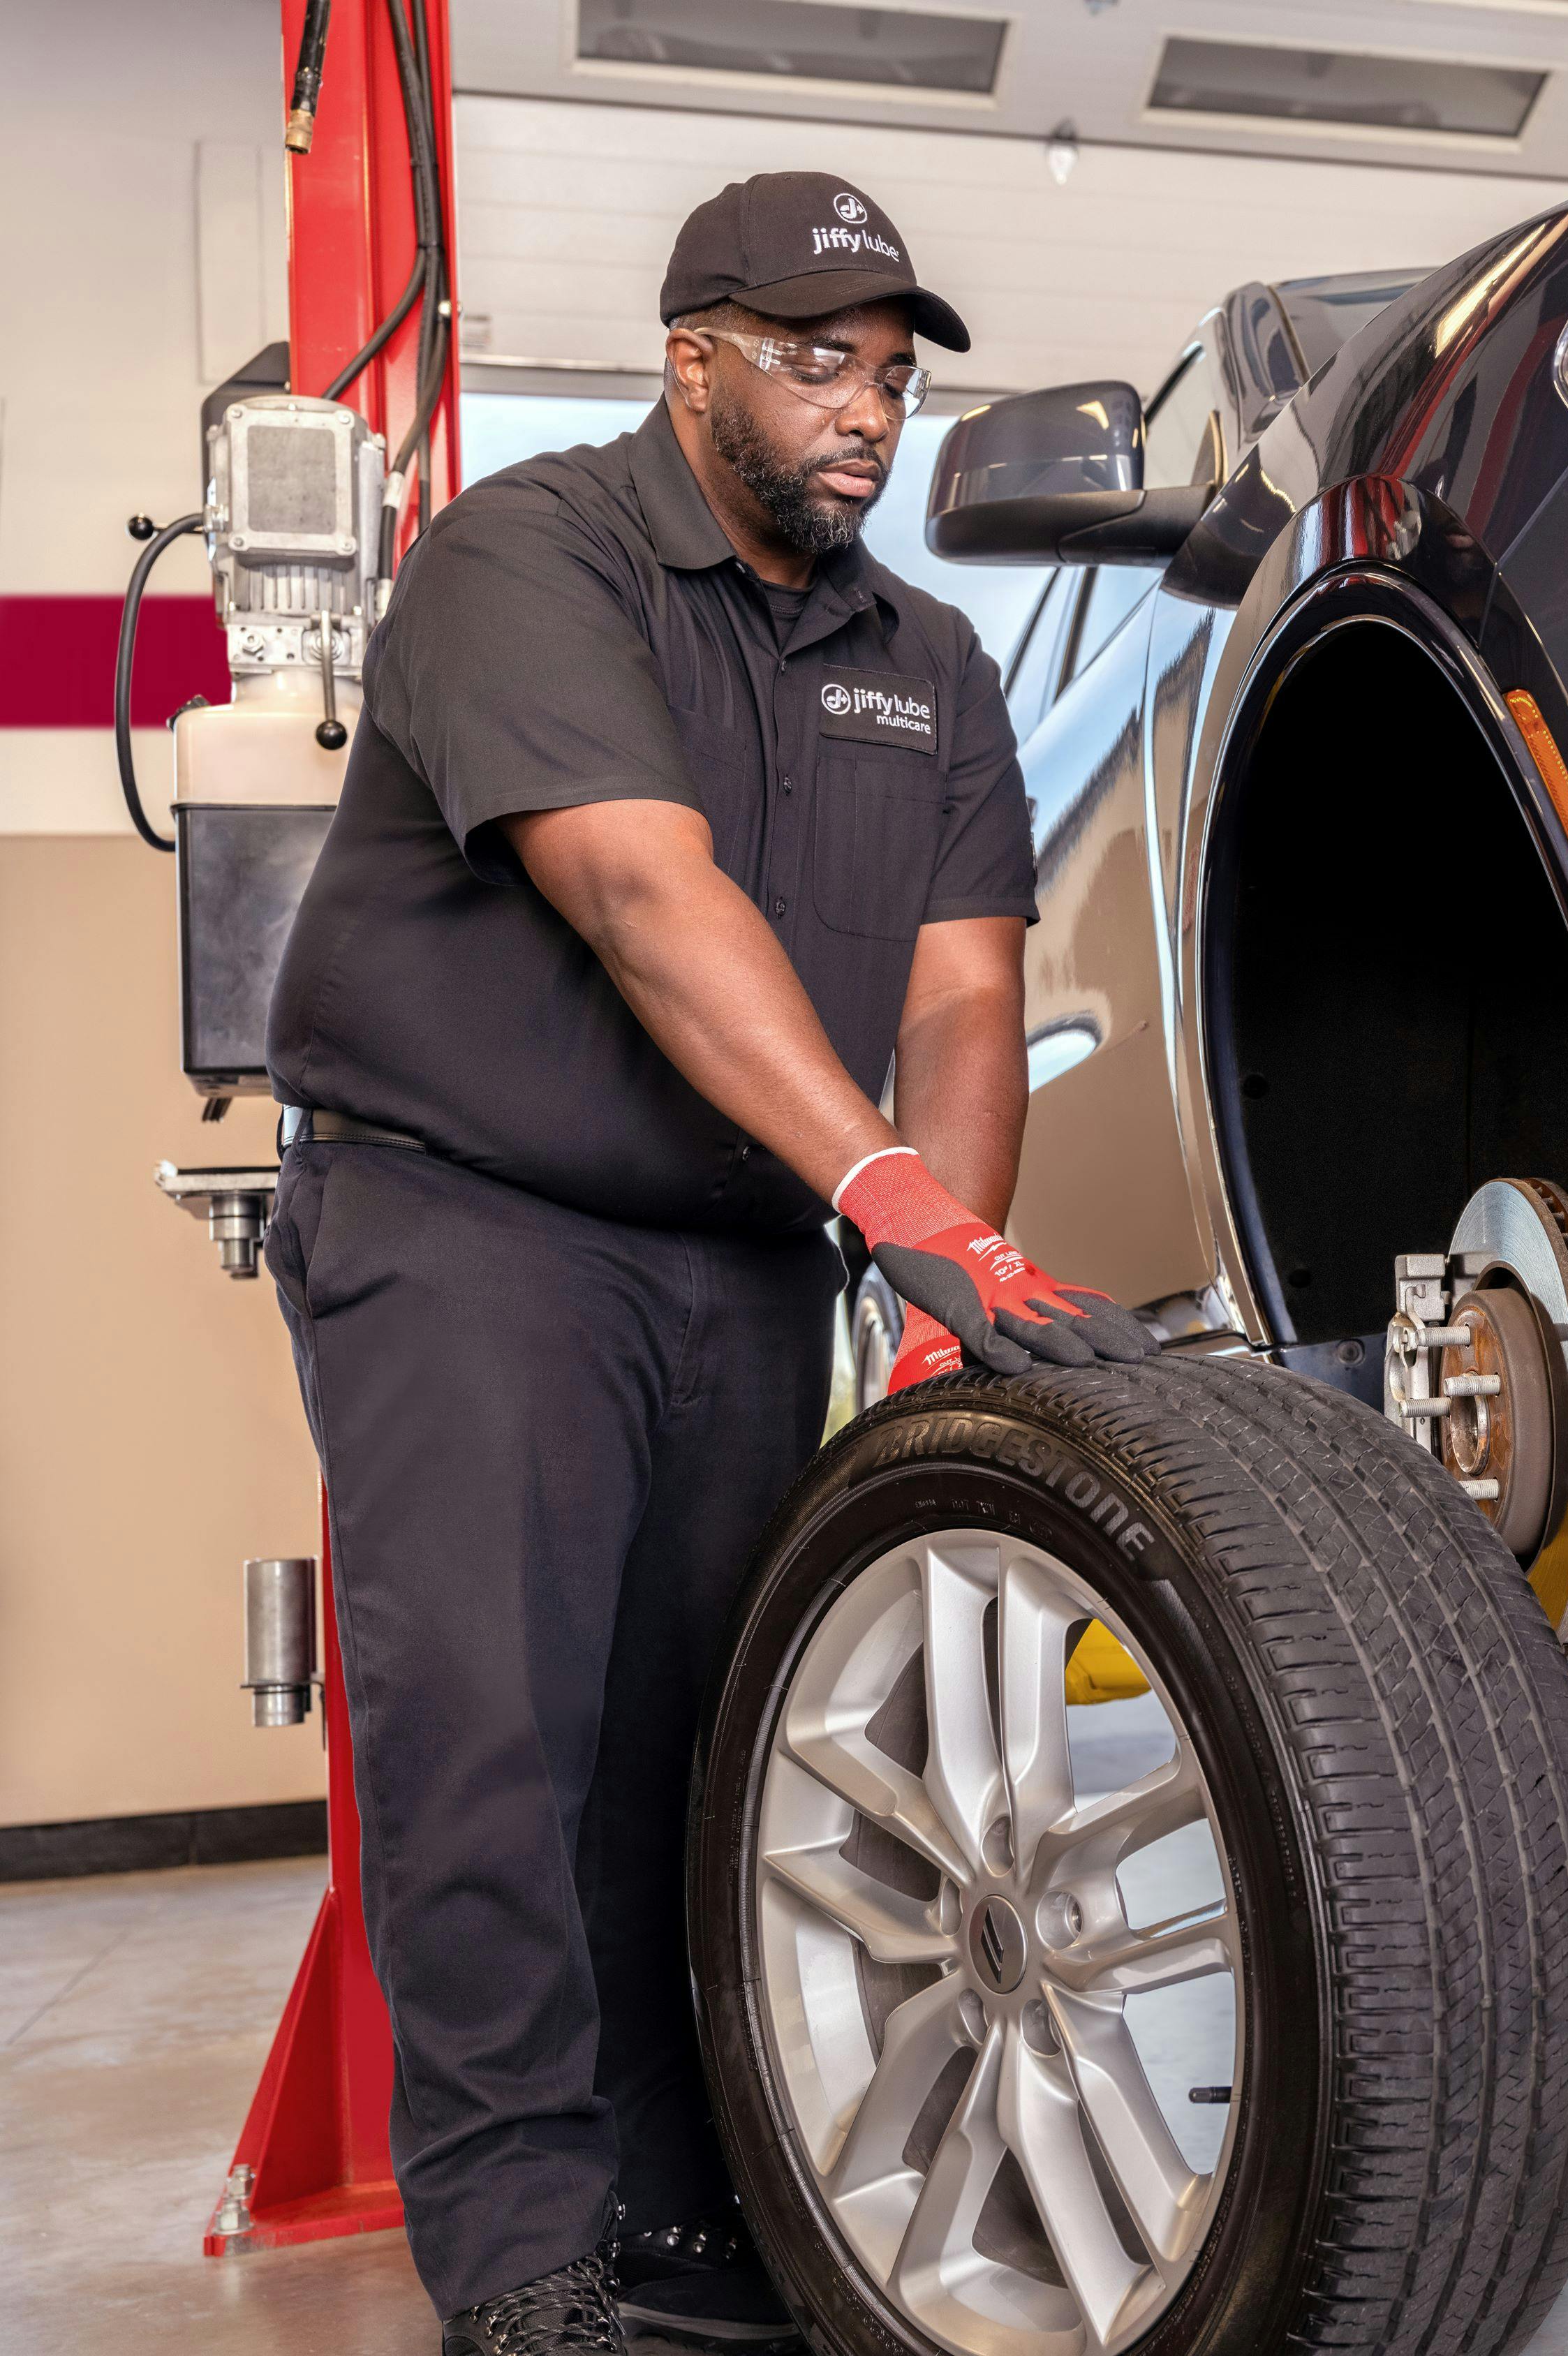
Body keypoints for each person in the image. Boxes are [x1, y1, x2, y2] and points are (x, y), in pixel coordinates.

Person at [262, 172, 1152, 2356]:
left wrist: (944, 1288)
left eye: (895, 376)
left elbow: (959, 995)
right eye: (816, 361)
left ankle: (683, 2201)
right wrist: (888, 1199)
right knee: (498, 1740)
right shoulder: (524, 559)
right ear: (693, 360)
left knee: (709, 1747)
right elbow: (648, 898)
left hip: (746, 1255)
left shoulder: (922, 657)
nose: (868, 412)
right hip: (474, 1224)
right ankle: (521, 2252)